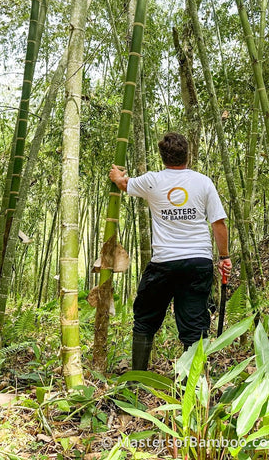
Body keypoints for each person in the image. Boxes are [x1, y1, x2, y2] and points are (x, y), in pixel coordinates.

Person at [109, 132, 232, 371]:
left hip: (164, 262)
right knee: (195, 322)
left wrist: (116, 176)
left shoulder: (152, 180)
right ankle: (193, 384)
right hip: (198, 261)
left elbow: (124, 184)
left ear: (162, 157)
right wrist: (224, 257)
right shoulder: (203, 181)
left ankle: (138, 378)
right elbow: (218, 223)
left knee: (145, 319)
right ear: (188, 154)